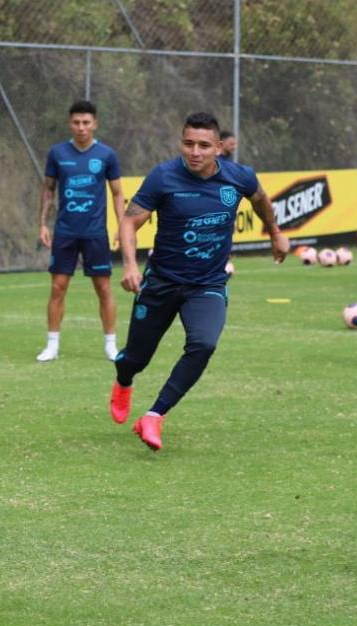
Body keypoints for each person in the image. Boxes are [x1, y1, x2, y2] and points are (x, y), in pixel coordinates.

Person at [109, 112, 288, 451]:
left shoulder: (240, 178)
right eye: (188, 144)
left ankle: (154, 415)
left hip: (207, 283)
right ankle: (124, 379)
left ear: (219, 148)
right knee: (136, 357)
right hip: (161, 281)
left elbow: (262, 200)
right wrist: (131, 266)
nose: (195, 152)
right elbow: (130, 223)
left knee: (203, 344)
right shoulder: (163, 177)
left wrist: (275, 233)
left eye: (204, 145)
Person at [36, 100, 125, 362]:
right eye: (76, 122)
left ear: (95, 124)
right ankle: (52, 345)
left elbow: (118, 193)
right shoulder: (57, 153)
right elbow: (48, 189)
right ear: (69, 124)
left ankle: (111, 345)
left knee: (104, 288)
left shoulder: (106, 155)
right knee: (58, 287)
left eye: (86, 123)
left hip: (95, 233)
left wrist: (122, 227)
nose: (81, 127)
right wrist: (42, 222)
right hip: (65, 232)